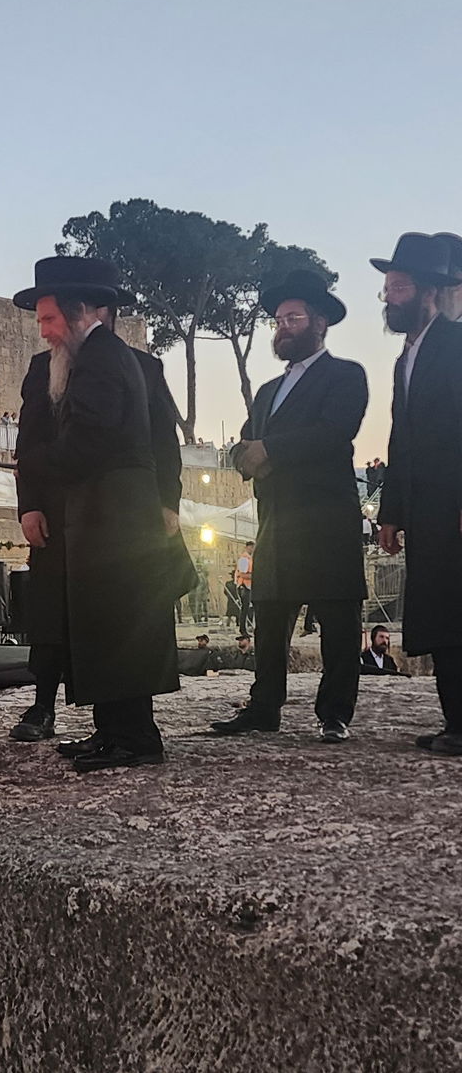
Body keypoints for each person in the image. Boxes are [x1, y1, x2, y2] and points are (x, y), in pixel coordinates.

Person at [9, 257, 180, 770]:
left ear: (79, 310)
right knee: (104, 624)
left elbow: (89, 439)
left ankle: (136, 739)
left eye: (49, 319)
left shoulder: (101, 358)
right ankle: (112, 732)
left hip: (117, 514)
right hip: (103, 511)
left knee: (118, 624)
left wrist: (31, 463)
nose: (43, 330)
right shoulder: (93, 355)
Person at [213, 271, 367, 744]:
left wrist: (270, 451)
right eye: (278, 320)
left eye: (293, 318)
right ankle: (264, 707)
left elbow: (333, 433)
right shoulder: (266, 392)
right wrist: (243, 455)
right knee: (270, 617)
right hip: (277, 522)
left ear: (320, 322)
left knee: (337, 619)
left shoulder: (346, 375)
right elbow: (245, 441)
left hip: (326, 519)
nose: (283, 327)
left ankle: (335, 712)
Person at [375, 233, 462, 754]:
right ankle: (456, 720)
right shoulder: (406, 357)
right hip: (426, 510)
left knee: (456, 613)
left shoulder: (456, 344)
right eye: (387, 288)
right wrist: (391, 512)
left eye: (400, 287)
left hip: (453, 506)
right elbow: (399, 440)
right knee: (442, 615)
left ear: (429, 291)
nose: (390, 297)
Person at [231, 543, 255, 635]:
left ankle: (244, 628)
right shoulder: (244, 559)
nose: (252, 549)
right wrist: (254, 576)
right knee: (244, 609)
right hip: (244, 586)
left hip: (247, 586)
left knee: (246, 608)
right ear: (247, 547)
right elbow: (242, 574)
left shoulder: (249, 558)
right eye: (251, 547)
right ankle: (242, 629)